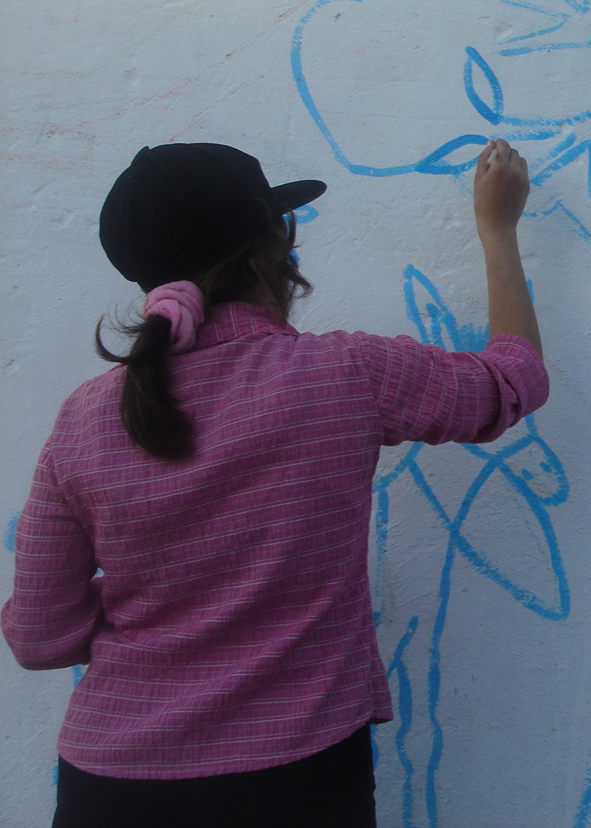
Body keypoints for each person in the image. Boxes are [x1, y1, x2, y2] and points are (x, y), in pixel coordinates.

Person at [1, 139, 547, 828]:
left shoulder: (83, 419)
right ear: (274, 251)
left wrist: (163, 593)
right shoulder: (346, 374)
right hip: (296, 779)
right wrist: (497, 228)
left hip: (110, 788)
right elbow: (513, 381)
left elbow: (40, 637)